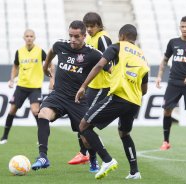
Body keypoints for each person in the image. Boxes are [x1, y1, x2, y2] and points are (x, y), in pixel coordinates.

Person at [75, 24, 149, 180]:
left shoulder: (117, 47)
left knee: (83, 125)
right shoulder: (142, 56)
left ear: (121, 36)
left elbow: (100, 65)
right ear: (133, 38)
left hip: (119, 97)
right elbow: (144, 89)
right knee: (124, 133)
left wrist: (83, 86)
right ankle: (135, 172)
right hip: (134, 102)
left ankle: (107, 160)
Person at [31, 20, 102, 172]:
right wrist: (45, 66)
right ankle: (43, 156)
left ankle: (93, 160)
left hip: (77, 100)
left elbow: (109, 66)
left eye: (76, 37)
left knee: (85, 136)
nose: (73, 40)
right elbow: (51, 51)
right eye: (70, 36)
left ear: (84, 36)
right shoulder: (60, 45)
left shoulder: (93, 54)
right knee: (42, 114)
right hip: (58, 95)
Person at [68, 12, 112, 167]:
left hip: (102, 86)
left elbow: (110, 60)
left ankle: (86, 154)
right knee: (82, 121)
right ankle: (90, 159)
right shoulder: (90, 38)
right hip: (91, 86)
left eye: (92, 26)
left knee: (84, 122)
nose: (89, 29)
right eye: (87, 26)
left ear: (99, 25)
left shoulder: (102, 38)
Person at [155, 16, 186, 150]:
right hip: (173, 82)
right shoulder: (173, 42)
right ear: (179, 27)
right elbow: (164, 60)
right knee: (167, 111)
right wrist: (159, 76)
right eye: (182, 26)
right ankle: (166, 142)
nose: (184, 29)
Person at [0, 29, 46, 144]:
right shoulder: (19, 52)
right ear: (24, 38)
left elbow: (49, 63)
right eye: (27, 36)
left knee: (35, 111)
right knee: (12, 110)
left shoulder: (40, 51)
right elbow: (15, 66)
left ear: (34, 38)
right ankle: (4, 137)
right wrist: (12, 79)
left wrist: (52, 77)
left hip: (35, 87)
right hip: (21, 86)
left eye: (31, 36)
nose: (29, 38)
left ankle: (41, 138)